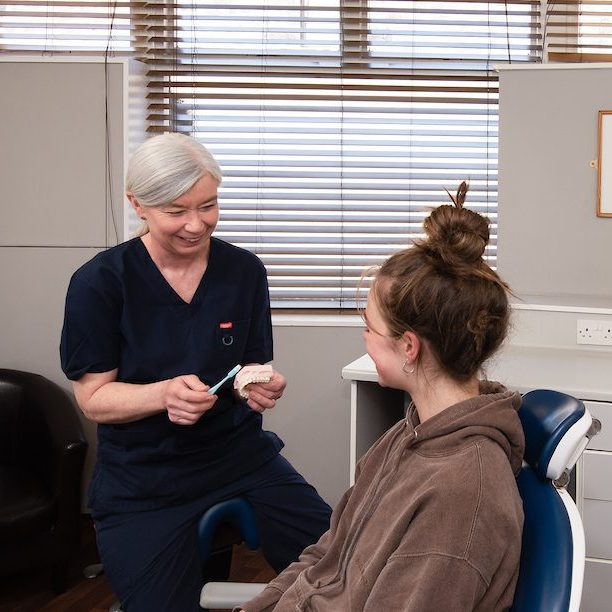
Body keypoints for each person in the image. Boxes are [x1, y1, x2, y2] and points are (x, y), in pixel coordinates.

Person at [60, 133, 331, 612]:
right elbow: (93, 398)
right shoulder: (100, 282)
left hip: (240, 458)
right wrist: (162, 394)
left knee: (348, 567)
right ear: (137, 205)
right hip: (144, 479)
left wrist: (256, 383)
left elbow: (251, 362)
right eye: (176, 211)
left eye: (208, 206)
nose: (195, 224)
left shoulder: (244, 271)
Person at [242, 182, 525, 611]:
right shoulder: (409, 436)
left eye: (371, 328)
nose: (365, 339)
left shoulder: (462, 496)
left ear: (409, 347)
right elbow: (328, 555)